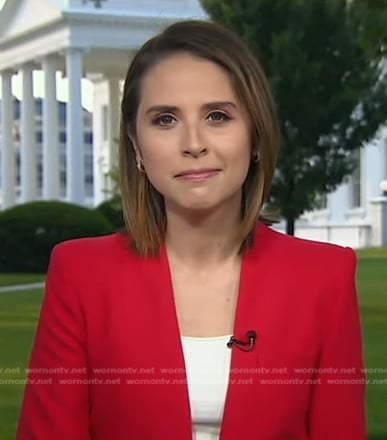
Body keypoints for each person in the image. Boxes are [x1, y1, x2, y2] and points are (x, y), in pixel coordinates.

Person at [17, 19, 366, 440]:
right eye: (165, 120)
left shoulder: (324, 278)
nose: (194, 142)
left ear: (255, 137)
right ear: (136, 146)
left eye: (218, 116)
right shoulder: (81, 275)